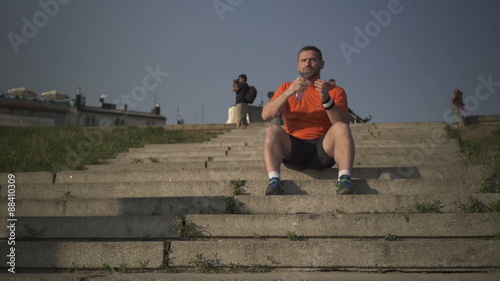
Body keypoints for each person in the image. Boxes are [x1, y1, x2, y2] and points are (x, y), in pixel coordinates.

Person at [261, 46, 355, 195]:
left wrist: (326, 99)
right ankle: (274, 181)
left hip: (323, 149)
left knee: (342, 128)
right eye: (303, 60)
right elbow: (266, 115)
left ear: (322, 64)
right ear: (297, 66)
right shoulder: (286, 87)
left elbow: (343, 122)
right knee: (272, 130)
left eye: (313, 60)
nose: (308, 64)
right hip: (294, 149)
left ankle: (344, 179)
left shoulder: (335, 91)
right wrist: (289, 92)